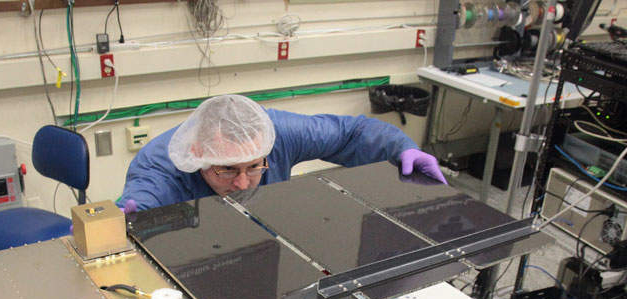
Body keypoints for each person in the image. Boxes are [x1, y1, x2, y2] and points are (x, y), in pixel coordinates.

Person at [117, 94, 446, 213]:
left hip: (263, 236)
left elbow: (352, 133)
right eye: (227, 170)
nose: (243, 184)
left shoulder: (279, 133)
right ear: (197, 154)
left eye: (254, 167)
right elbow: (142, 200)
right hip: (193, 251)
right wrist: (121, 221)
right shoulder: (161, 164)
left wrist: (404, 149)